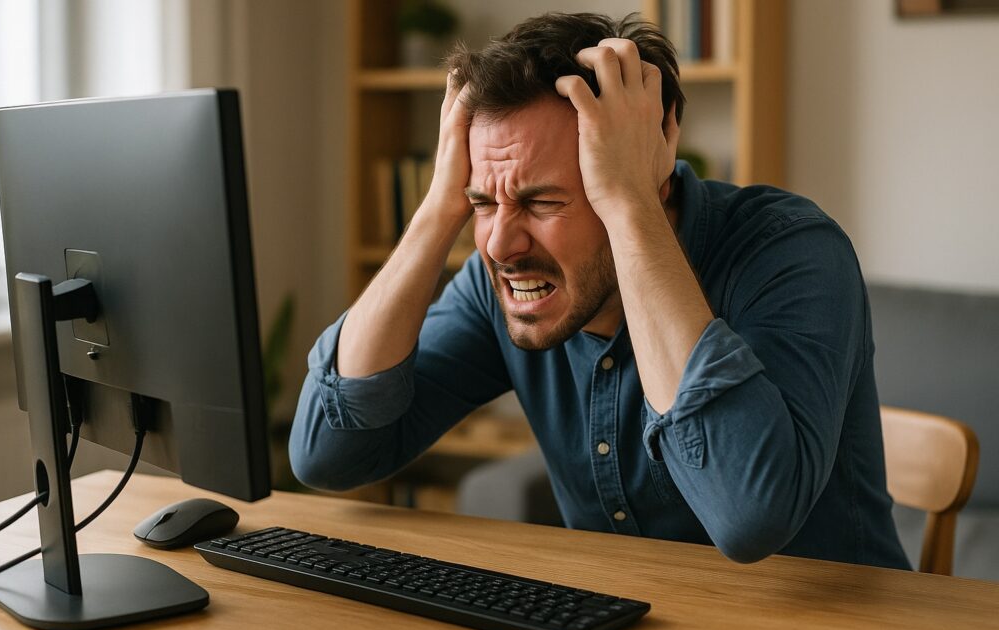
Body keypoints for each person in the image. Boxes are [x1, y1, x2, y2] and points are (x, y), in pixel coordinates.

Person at [290, 12, 910, 568]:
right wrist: (435, 212)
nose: (502, 247)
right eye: (482, 202)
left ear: (652, 161)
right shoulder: (505, 281)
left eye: (544, 201)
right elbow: (328, 454)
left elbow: (749, 518)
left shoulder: (790, 252)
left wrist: (627, 202)